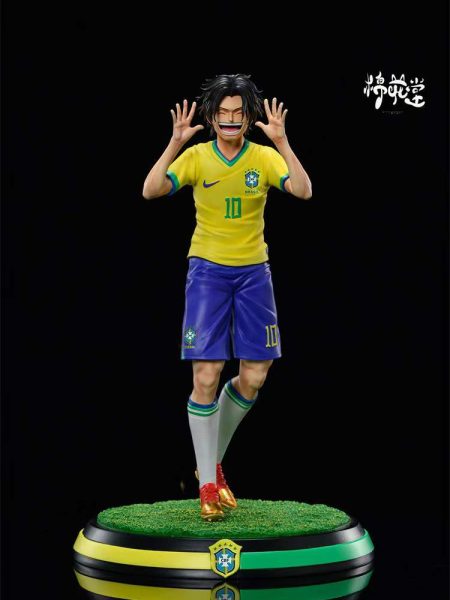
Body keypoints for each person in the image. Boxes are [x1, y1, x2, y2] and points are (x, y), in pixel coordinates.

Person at [142, 74, 312, 521]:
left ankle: (210, 461)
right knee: (206, 375)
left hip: (255, 274)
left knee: (254, 376)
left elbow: (303, 190)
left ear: (249, 117)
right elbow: (151, 189)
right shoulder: (198, 157)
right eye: (223, 113)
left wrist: (282, 141)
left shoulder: (264, 157)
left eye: (238, 113)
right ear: (213, 117)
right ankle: (207, 484)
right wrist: (175, 143)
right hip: (208, 273)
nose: (231, 120)